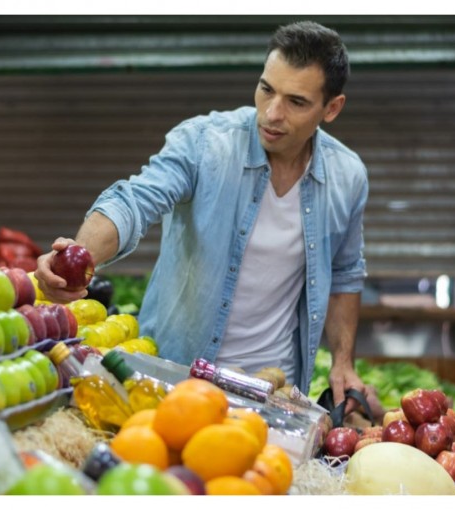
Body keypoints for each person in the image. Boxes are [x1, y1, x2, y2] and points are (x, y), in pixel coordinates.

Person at [35, 20, 369, 413]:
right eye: (266, 90)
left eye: (296, 102)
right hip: (175, 380)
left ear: (332, 108)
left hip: (272, 392)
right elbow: (134, 201)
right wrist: (78, 256)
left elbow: (345, 275)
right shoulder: (205, 143)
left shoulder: (347, 176)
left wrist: (343, 362)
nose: (272, 113)